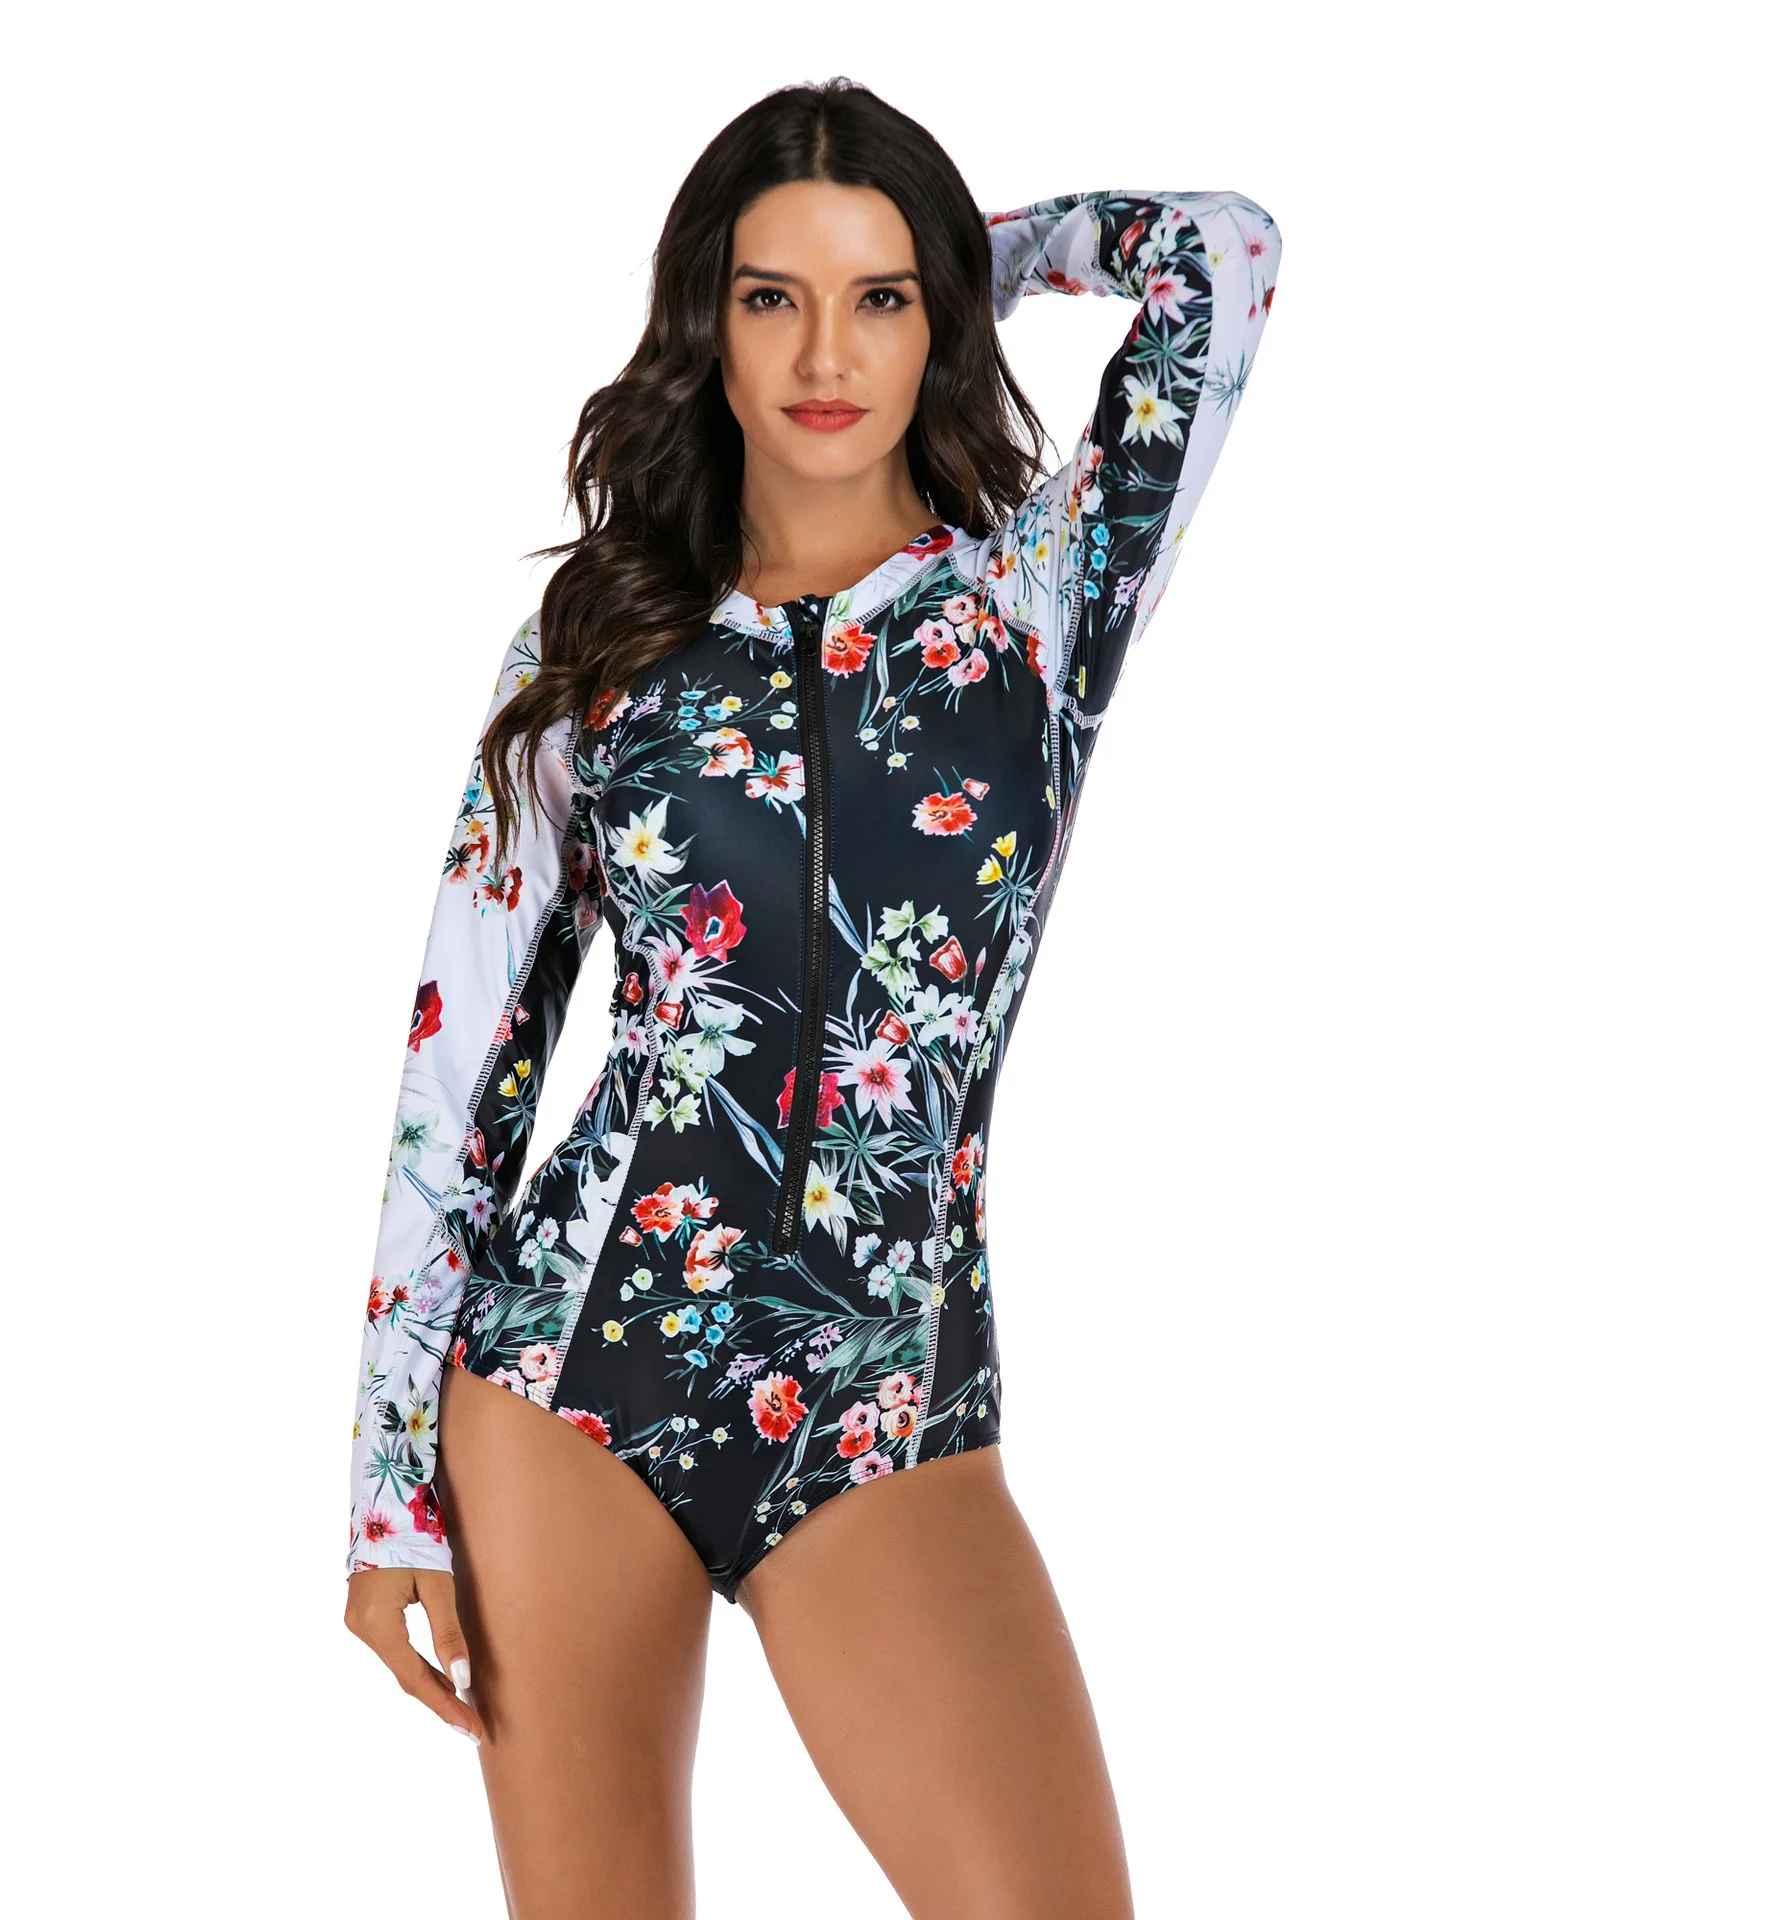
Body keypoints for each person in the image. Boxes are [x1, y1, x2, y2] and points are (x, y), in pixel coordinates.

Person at [343, 75, 1281, 1920]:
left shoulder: (1039, 602)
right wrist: (389, 1491)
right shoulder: (596, 649)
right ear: (709, 321)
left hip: (887, 1400)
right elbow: (466, 1072)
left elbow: (1225, 259)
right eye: (771, 296)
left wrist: (971, 252)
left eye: (881, 298)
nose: (827, 354)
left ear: (939, 321)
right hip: (573, 1385)